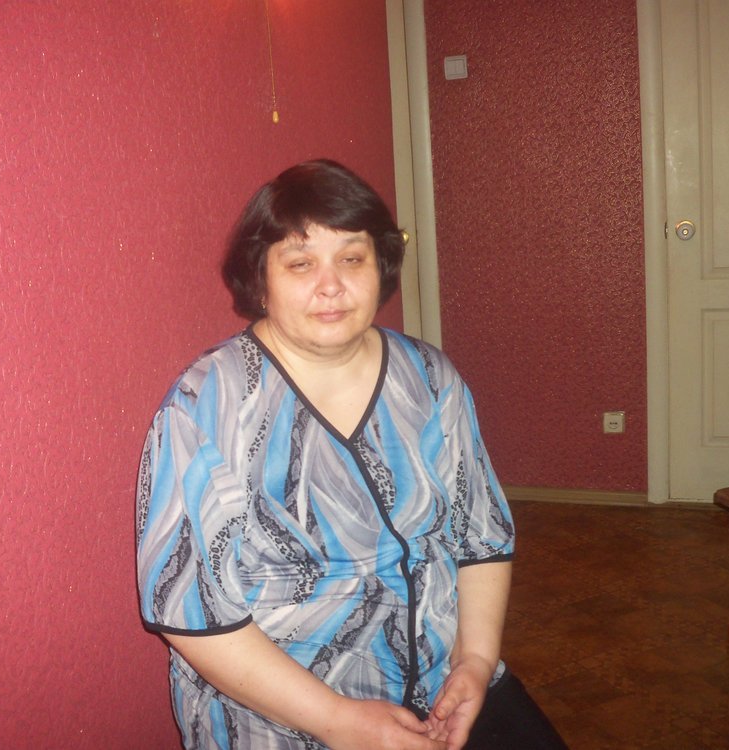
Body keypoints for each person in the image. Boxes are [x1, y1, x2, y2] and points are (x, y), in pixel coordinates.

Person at [135, 159, 566, 750]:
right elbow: (188, 609)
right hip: (281, 716)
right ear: (260, 280)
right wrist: (338, 721)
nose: (331, 285)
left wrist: (474, 660)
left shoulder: (430, 378)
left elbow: (481, 535)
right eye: (301, 263)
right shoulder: (206, 407)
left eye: (352, 259)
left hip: (443, 684)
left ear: (380, 266)